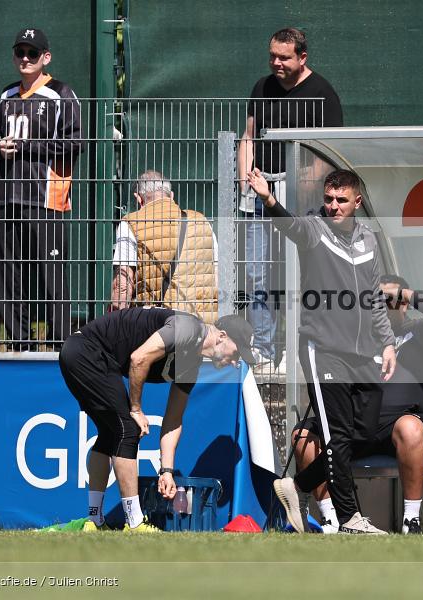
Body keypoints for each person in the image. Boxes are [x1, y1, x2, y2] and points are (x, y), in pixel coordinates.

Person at [247, 167, 396, 535]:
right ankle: (350, 519)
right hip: (323, 349)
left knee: (360, 436)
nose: (333, 206)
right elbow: (290, 226)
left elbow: (375, 297)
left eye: (341, 200)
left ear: (357, 202)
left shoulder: (369, 241)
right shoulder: (315, 230)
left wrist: (388, 342)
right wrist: (269, 199)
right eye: (328, 199)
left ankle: (296, 487)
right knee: (338, 436)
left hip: (364, 354)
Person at [58, 306, 255, 532]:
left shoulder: (191, 364)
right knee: (128, 430)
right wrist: (135, 408)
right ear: (222, 336)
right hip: (86, 351)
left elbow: (173, 419)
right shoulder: (188, 328)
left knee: (110, 433)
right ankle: (134, 523)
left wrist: (167, 471)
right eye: (237, 352)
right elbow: (139, 358)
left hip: (86, 355)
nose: (235, 362)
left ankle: (94, 521)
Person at [291, 275, 423, 533]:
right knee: (304, 435)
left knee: (408, 427)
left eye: (388, 300)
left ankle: (410, 520)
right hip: (361, 424)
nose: (382, 305)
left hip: (406, 424)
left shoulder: (422, 334)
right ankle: (330, 519)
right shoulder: (358, 342)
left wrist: (401, 292)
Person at [238, 27, 343, 372]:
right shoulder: (261, 87)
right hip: (259, 189)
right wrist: (245, 180)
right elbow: (248, 137)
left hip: (297, 195)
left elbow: (327, 151)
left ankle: (298, 351)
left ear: (302, 57)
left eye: (284, 57)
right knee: (257, 273)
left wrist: (302, 189)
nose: (276, 63)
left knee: (295, 272)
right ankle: (266, 351)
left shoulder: (322, 93)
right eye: (272, 56)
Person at [0, 28, 83, 350]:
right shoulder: (5, 96)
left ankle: (61, 346)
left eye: (33, 53)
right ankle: (20, 345)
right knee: (8, 276)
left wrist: (26, 147)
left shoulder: (60, 93)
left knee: (51, 276)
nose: (25, 59)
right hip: (5, 197)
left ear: (46, 57)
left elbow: (74, 144)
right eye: (20, 52)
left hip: (46, 199)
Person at [111, 170, 217, 323]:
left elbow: (122, 286)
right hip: (203, 325)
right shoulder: (201, 220)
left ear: (138, 199)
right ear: (171, 195)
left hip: (158, 326)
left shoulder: (131, 223)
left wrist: (117, 324)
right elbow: (218, 276)